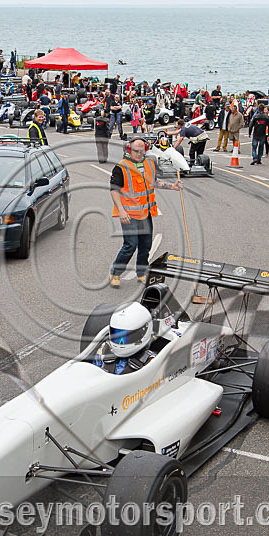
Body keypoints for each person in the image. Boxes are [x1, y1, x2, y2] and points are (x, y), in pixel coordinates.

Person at [109, 135, 181, 288]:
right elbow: (114, 190)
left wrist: (172, 186)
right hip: (129, 214)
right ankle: (115, 273)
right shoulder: (121, 167)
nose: (139, 153)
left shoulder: (149, 163)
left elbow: (154, 182)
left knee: (145, 244)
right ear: (129, 150)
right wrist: (121, 211)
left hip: (145, 213)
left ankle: (141, 273)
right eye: (136, 151)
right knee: (130, 245)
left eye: (142, 150)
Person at [92, 303, 155, 374]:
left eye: (127, 337)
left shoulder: (152, 363)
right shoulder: (104, 350)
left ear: (143, 333)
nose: (121, 343)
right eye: (117, 336)